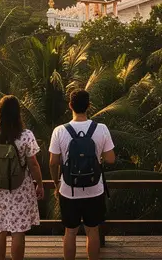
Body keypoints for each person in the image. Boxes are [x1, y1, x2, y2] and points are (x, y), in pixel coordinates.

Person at [49, 89, 116, 260]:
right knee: (92, 231)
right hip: (95, 189)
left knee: (70, 232)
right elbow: (110, 159)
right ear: (89, 106)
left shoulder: (59, 131)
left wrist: (56, 184)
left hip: (68, 189)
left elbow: (53, 162)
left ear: (70, 106)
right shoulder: (101, 129)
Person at [0, 95, 45, 260]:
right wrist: (40, 184)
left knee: (0, 229)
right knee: (18, 231)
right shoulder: (26, 135)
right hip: (20, 188)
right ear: (18, 113)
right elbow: (33, 164)